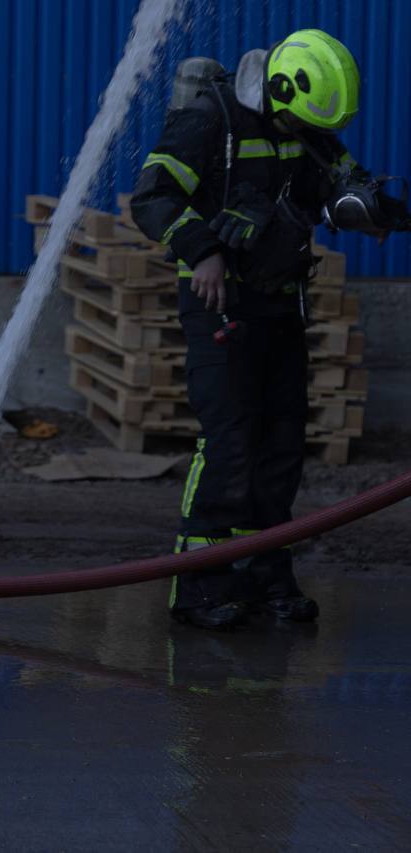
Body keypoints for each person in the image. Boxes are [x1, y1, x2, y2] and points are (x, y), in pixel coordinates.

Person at [132, 30, 406, 628]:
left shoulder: (304, 128)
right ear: (279, 89)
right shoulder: (211, 123)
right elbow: (150, 196)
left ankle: (263, 575)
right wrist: (202, 248)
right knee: (228, 443)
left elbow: (344, 179)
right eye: (299, 123)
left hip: (282, 306)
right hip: (220, 305)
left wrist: (374, 213)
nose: (307, 136)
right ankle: (200, 585)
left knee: (280, 446)